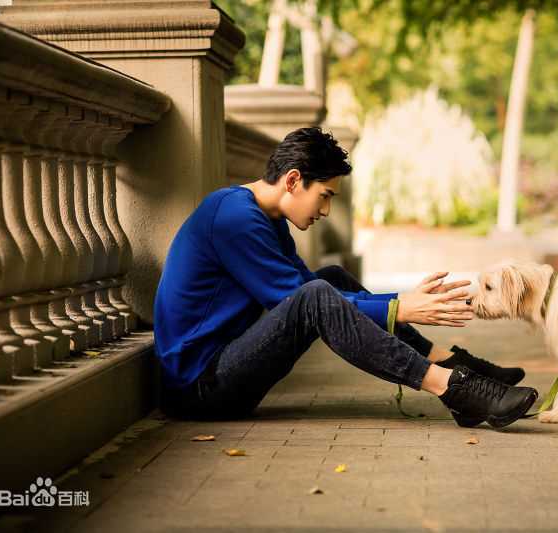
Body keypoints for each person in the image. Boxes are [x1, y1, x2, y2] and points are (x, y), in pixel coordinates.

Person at [154, 127, 537, 429]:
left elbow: (312, 290)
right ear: (292, 181)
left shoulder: (265, 218)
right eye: (324, 195)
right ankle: (453, 388)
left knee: (332, 278)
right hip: (201, 388)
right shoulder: (234, 218)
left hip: (225, 370)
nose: (325, 209)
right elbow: (300, 299)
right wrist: (399, 307)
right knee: (318, 294)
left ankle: (451, 363)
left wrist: (399, 304)